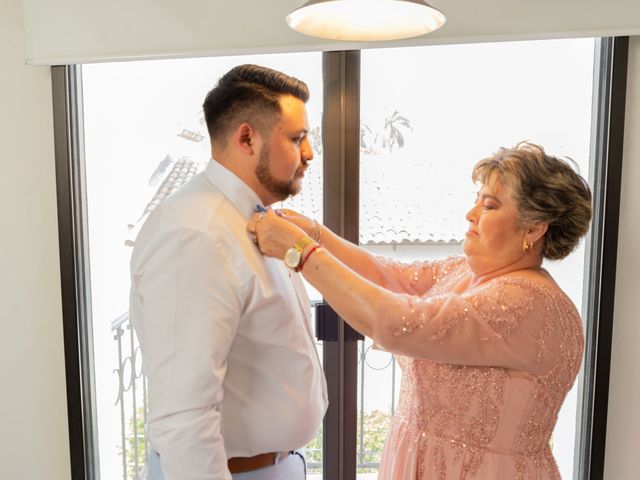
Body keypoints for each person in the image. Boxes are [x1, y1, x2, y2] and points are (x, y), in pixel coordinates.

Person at [248, 142, 592, 479]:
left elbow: (399, 321)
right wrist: (316, 234)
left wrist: (300, 252)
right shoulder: (469, 273)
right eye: (476, 202)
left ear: (534, 227)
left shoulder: (528, 301)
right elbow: (389, 276)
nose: (470, 215)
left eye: (488, 206)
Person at [130, 64, 327, 480]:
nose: (309, 153)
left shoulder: (254, 221)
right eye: (297, 138)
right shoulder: (196, 234)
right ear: (246, 138)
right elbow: (184, 417)